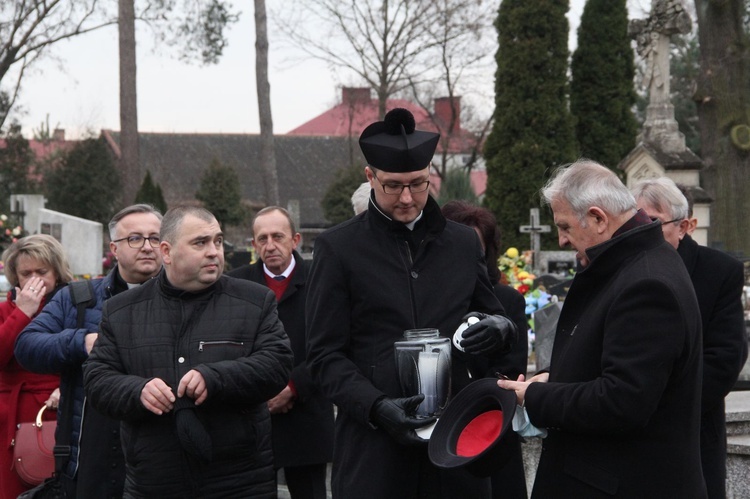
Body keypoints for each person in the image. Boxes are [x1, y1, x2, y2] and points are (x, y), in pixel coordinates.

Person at [306, 108, 517, 499]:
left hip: (456, 446)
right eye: (393, 186)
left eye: (418, 184)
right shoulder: (338, 248)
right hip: (375, 453)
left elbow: (494, 314)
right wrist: (376, 406)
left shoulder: (461, 242)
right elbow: (324, 356)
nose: (407, 198)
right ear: (370, 178)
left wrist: (501, 328)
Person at [499, 160, 706, 498]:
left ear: (597, 218)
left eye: (565, 227)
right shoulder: (635, 264)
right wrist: (558, 376)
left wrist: (536, 396)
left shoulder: (647, 283)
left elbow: (622, 401)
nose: (563, 241)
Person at [83, 205, 294, 497]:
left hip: (240, 481)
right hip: (154, 481)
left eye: (217, 241)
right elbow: (97, 380)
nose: (213, 251)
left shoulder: (255, 302)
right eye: (200, 243)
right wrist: (137, 390)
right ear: (166, 252)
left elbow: (277, 365)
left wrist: (216, 377)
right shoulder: (121, 312)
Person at [15, 204, 163, 498]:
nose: (147, 247)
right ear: (114, 248)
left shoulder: (184, 299)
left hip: (160, 453)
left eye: (155, 238)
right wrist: (82, 342)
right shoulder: (78, 298)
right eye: (135, 238)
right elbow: (27, 345)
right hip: (89, 456)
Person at [632, 177, 748, 499]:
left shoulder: (719, 271)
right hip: (630, 432)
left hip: (692, 432)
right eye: (636, 221)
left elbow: (724, 359)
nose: (643, 231)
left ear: (684, 226)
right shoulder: (627, 266)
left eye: (653, 222)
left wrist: (658, 405)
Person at [228, 206, 334, 499]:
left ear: (295, 240)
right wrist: (260, 390)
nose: (270, 245)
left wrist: (293, 386)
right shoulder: (237, 285)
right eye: (262, 239)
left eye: (278, 236)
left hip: (307, 414)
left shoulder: (321, 280)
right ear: (253, 245)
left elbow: (332, 343)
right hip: (255, 416)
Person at [440, 200, 528, 499]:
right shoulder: (432, 299)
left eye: (475, 247)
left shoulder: (507, 301)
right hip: (439, 436)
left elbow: (511, 368)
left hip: (489, 429)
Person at [0, 235, 72, 498]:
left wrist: (66, 387)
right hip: (10, 417)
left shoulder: (72, 306)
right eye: (25, 273)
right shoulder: (4, 310)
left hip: (56, 409)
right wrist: (22, 313)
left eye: (42, 272)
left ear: (56, 272)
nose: (34, 279)